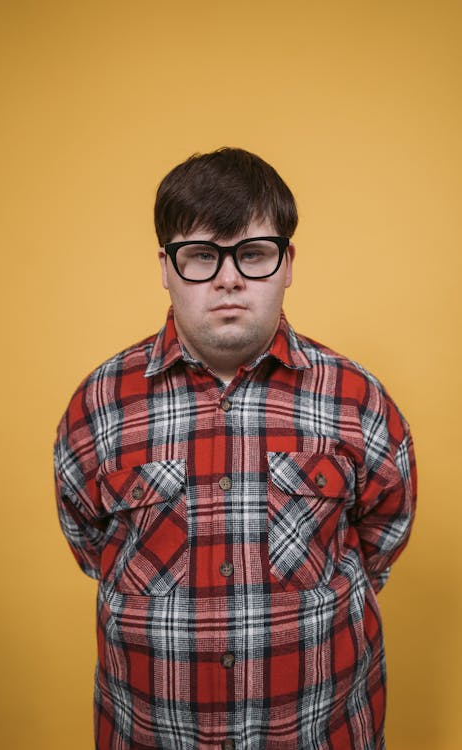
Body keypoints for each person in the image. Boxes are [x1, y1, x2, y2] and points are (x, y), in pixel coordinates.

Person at [54, 147, 416, 750]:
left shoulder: (358, 399)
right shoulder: (98, 404)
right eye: (200, 255)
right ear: (165, 267)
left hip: (321, 732)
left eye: (252, 254)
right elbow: (90, 544)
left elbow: (380, 536)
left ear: (288, 263)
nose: (228, 279)